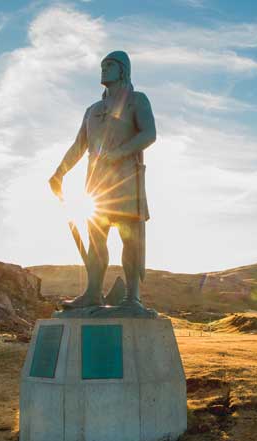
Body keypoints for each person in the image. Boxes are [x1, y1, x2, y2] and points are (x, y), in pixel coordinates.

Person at [48, 51, 156, 313]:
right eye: (102, 65)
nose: (103, 69)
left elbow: (149, 133)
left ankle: (133, 298)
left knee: (130, 240)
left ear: (123, 70)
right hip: (96, 186)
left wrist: (119, 153)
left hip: (127, 180)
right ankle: (93, 292)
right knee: (96, 239)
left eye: (109, 65)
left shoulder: (136, 100)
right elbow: (78, 146)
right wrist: (59, 172)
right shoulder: (92, 111)